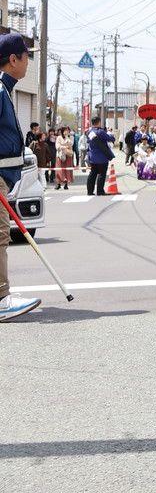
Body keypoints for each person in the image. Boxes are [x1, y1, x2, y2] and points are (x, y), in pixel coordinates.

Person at [0, 34, 40, 322]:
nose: (28, 61)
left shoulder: (5, 89)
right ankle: (1, 298)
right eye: (27, 56)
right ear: (13, 59)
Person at [85, 116, 116, 196]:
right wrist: (111, 134)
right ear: (99, 122)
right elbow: (111, 139)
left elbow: (88, 141)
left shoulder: (89, 132)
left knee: (93, 174)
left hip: (92, 156)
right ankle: (100, 191)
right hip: (102, 156)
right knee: (102, 174)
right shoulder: (100, 132)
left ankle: (90, 191)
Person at [54, 126, 75, 190]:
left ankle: (66, 184)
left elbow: (71, 144)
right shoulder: (59, 137)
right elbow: (57, 146)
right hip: (60, 156)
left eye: (68, 130)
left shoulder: (71, 137)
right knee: (59, 170)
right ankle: (58, 184)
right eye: (65, 130)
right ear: (62, 131)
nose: (67, 132)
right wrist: (65, 147)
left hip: (68, 155)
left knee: (67, 170)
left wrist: (66, 137)